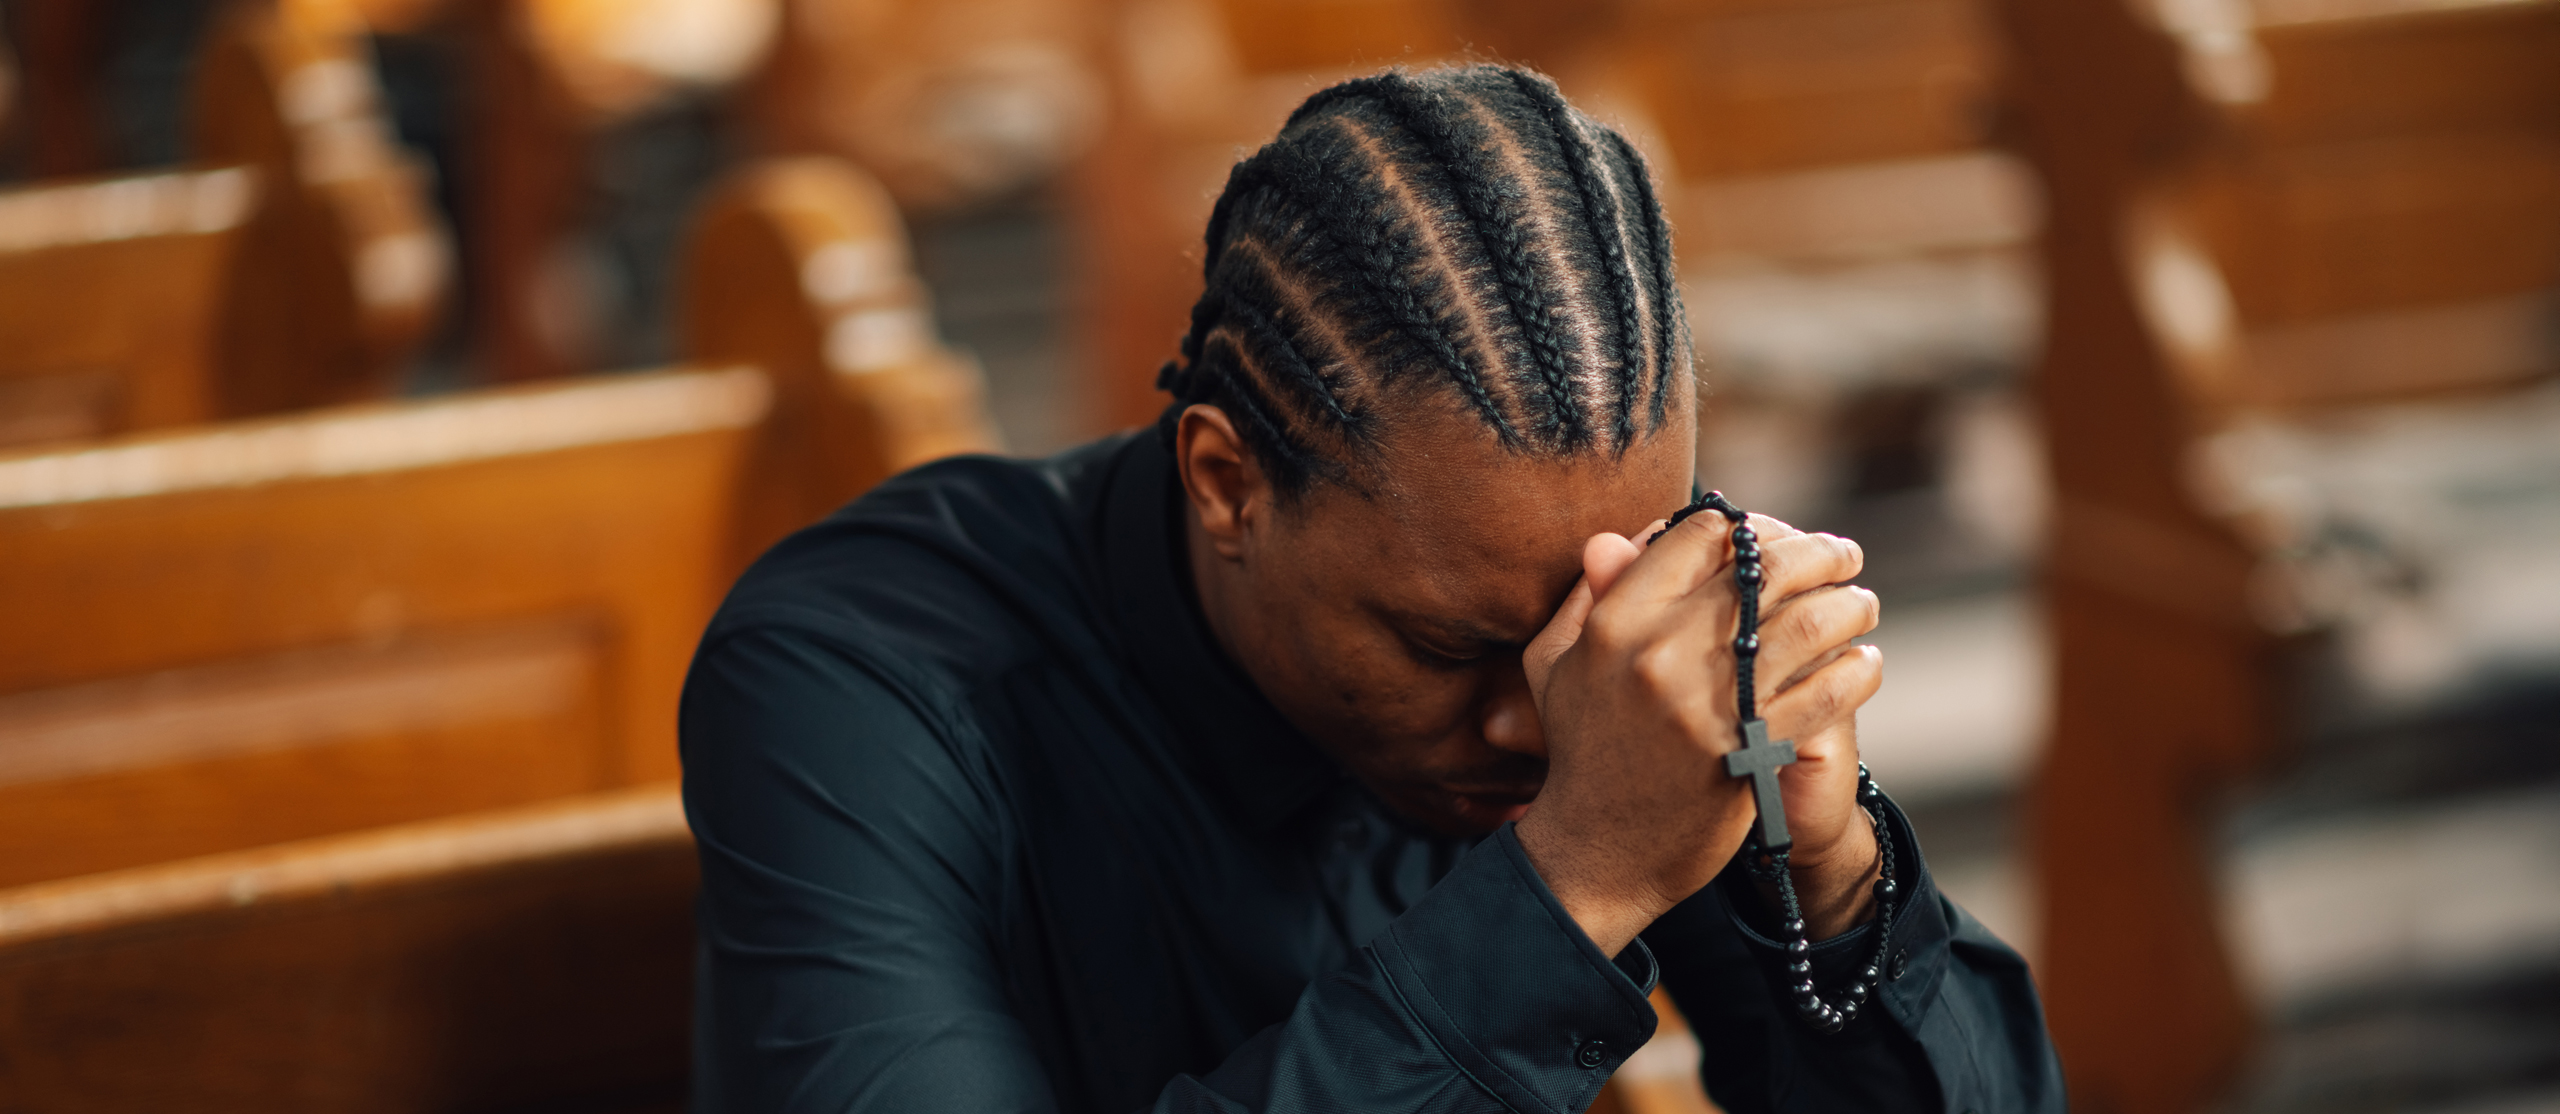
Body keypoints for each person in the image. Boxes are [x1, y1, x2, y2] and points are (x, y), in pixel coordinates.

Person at [680, 65, 2062, 1114]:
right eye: (1446, 643)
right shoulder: (848, 677)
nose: (1541, 721)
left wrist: (1831, 869)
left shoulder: (1589, 667)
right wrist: (1569, 883)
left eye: (1587, 629)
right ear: (1226, 481)